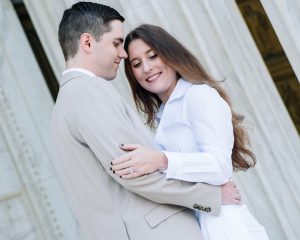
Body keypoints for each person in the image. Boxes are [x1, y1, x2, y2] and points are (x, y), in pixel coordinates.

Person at [51, 2, 240, 240]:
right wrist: (210, 196)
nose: (123, 53)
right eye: (117, 43)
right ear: (88, 43)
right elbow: (135, 173)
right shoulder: (87, 92)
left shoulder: (66, 102)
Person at [111, 24, 270, 240]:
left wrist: (161, 160)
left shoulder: (199, 96)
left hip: (224, 225)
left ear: (170, 55)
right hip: (196, 222)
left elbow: (219, 166)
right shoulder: (163, 115)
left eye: (153, 56)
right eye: (137, 64)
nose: (146, 68)